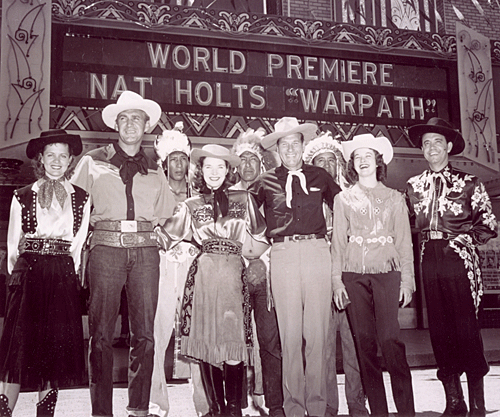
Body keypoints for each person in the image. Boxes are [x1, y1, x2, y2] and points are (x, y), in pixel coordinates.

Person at [71, 91, 176, 417]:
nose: (131, 124)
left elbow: (165, 213)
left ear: (147, 125)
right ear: (116, 124)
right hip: (106, 251)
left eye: (137, 118)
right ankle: (101, 411)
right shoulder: (92, 161)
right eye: (124, 118)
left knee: (144, 335)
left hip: (145, 254)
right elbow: (75, 208)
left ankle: (139, 408)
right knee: (101, 335)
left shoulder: (156, 170)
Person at [155, 144, 268, 417]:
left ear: (229, 170)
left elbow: (263, 239)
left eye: (220, 166)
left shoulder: (244, 199)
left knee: (233, 343)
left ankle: (233, 409)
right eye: (208, 167)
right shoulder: (189, 205)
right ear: (201, 171)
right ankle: (216, 410)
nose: (214, 172)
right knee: (207, 345)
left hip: (233, 277)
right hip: (203, 278)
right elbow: (164, 238)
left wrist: (253, 260)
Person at [248, 117, 341, 417]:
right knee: (289, 338)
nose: (289, 149)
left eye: (294, 143)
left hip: (317, 252)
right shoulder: (264, 182)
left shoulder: (321, 177)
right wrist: (257, 248)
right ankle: (294, 408)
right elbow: (244, 214)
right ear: (276, 149)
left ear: (303, 145)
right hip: (283, 256)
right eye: (283, 145)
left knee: (316, 336)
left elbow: (345, 207)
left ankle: (316, 407)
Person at [405, 117, 498, 417]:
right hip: (428, 259)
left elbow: (489, 224)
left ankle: (478, 403)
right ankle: (453, 402)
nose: (431, 147)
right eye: (426, 143)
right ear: (422, 149)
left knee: (466, 329)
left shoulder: (470, 183)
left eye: (437, 142)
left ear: (448, 146)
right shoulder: (413, 186)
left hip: (459, 259)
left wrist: (463, 240)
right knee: (440, 330)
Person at [0, 130, 90, 417]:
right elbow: (13, 244)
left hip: (62, 274)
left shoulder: (82, 198)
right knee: (18, 346)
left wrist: (70, 275)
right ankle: (4, 410)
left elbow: (78, 244)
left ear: (70, 160)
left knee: (53, 350)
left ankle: (45, 413)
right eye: (50, 155)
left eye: (63, 156)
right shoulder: (22, 195)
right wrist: (18, 275)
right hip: (30, 273)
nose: (56, 161)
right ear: (40, 159)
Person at [331, 133, 415, 417]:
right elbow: (338, 245)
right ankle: (378, 411)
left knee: (390, 340)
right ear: (351, 164)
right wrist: (336, 283)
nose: (363, 161)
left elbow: (405, 242)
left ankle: (406, 411)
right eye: (358, 156)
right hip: (353, 275)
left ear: (378, 161)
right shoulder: (342, 199)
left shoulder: (395, 198)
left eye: (368, 155)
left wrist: (407, 280)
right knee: (364, 345)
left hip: (387, 274)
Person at [302, 131, 368, 417]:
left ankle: (357, 403)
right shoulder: (305, 199)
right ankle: (328, 405)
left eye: (331, 160)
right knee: (323, 347)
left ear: (340, 164)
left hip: (351, 279)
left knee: (355, 344)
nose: (327, 166)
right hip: (319, 280)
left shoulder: (353, 197)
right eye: (320, 162)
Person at [149, 123, 209, 417]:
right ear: (164, 162)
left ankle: (203, 403)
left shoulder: (199, 194)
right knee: (158, 332)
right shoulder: (152, 190)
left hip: (193, 266)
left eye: (183, 158)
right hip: (161, 266)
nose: (178, 164)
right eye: (173, 158)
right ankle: (157, 402)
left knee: (196, 333)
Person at [231, 129, 284, 417]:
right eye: (243, 160)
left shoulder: (272, 192)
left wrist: (261, 261)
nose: (248, 165)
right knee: (238, 341)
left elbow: (279, 232)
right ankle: (240, 403)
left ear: (261, 162)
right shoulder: (229, 196)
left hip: (266, 272)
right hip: (236, 272)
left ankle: (275, 404)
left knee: (269, 340)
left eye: (253, 159)